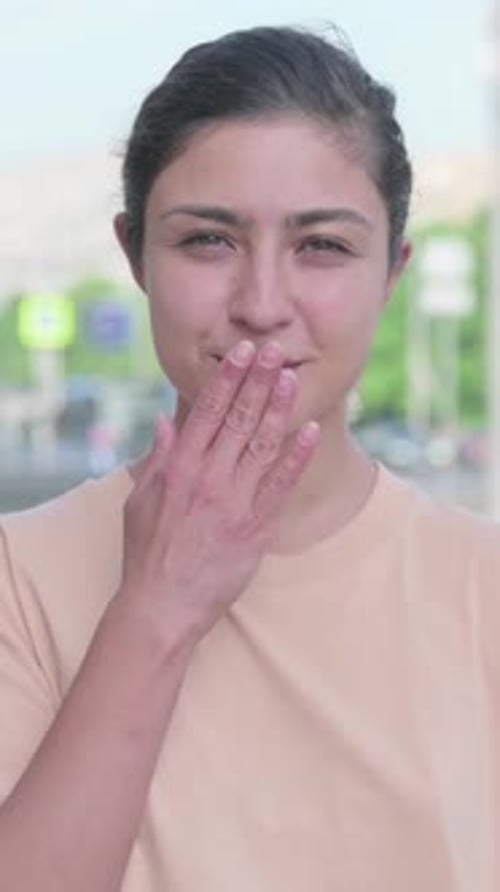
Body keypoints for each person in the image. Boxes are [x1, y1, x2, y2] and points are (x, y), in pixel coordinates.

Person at [0, 24, 498, 892]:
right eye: (207, 240)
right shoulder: (20, 578)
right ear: (135, 256)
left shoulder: (481, 589)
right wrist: (157, 606)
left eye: (324, 246)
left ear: (392, 272)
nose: (263, 305)